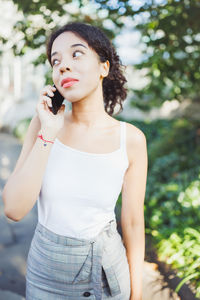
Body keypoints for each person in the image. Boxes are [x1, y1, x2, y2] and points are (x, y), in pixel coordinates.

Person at [2, 21, 148, 300]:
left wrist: (137, 294)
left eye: (76, 54)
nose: (63, 66)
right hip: (47, 277)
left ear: (103, 67)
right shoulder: (43, 125)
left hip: (110, 276)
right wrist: (48, 132)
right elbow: (14, 209)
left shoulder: (130, 139)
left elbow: (132, 223)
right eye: (55, 61)